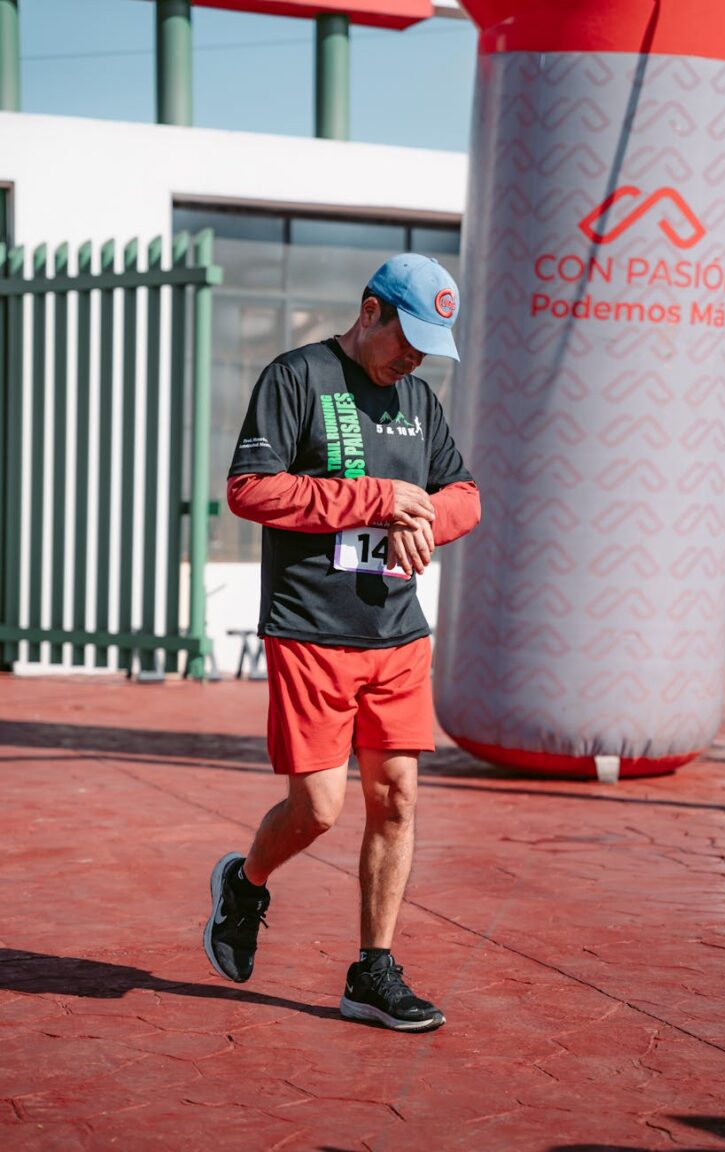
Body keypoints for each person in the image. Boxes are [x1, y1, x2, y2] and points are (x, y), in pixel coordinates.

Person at [204, 253, 481, 1032]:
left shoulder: (421, 400)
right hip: (310, 630)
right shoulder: (296, 377)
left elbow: (464, 494)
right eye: (408, 336)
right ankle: (247, 883)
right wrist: (378, 498)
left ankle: (372, 971)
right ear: (369, 312)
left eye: (431, 343)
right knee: (319, 810)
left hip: (396, 632)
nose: (416, 356)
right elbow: (250, 489)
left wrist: (428, 522)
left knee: (396, 800)